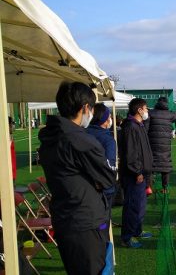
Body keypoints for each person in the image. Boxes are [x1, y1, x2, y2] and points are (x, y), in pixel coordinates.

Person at [38, 81, 115, 274]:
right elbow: (107, 178)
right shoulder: (80, 140)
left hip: (64, 218)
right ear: (85, 108)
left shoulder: (50, 135)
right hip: (85, 222)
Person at [119, 98, 154, 248]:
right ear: (139, 110)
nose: (147, 111)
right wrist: (137, 171)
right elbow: (131, 153)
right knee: (132, 206)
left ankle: (137, 230)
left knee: (140, 205)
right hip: (134, 175)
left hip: (142, 173)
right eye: (145, 108)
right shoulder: (131, 127)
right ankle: (127, 236)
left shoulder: (138, 125)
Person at [146, 97, 176, 193]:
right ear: (166, 104)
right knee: (165, 166)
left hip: (151, 144)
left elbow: (145, 128)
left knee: (150, 166)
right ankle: (165, 188)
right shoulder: (170, 114)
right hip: (165, 145)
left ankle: (149, 188)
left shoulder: (151, 113)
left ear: (157, 103)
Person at [87, 103, 117, 222]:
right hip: (103, 189)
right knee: (102, 222)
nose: (111, 120)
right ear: (104, 120)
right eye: (109, 117)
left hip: (86, 186)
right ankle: (104, 239)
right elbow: (109, 165)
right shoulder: (107, 140)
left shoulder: (83, 133)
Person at [8, 116, 16, 182]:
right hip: (8, 172)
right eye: (11, 124)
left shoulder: (10, 137)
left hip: (12, 171)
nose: (13, 126)